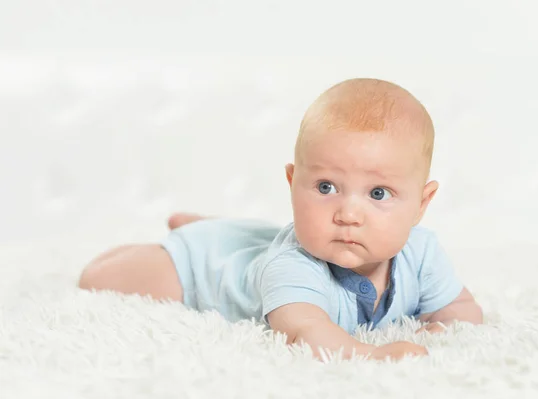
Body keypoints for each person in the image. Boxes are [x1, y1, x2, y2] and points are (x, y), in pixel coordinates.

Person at [78, 78, 483, 361]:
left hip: (256, 247)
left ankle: (220, 228)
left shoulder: (422, 252)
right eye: (326, 187)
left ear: (421, 204)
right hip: (204, 267)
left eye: (378, 194)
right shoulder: (293, 267)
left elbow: (461, 307)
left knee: (263, 241)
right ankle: (204, 235)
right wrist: (370, 356)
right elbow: (305, 333)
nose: (347, 213)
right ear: (293, 183)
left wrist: (442, 329)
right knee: (97, 277)